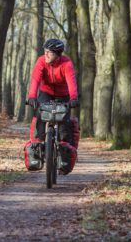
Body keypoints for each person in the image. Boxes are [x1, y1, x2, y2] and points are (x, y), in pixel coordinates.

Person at [24, 38, 80, 174]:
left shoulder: (66, 63)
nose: (46, 54)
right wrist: (32, 97)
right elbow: (35, 80)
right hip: (46, 93)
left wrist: (73, 99)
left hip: (63, 95)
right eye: (45, 51)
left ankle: (63, 154)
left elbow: (71, 82)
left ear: (57, 54)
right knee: (39, 115)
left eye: (49, 52)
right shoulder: (41, 61)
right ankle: (37, 146)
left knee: (64, 123)